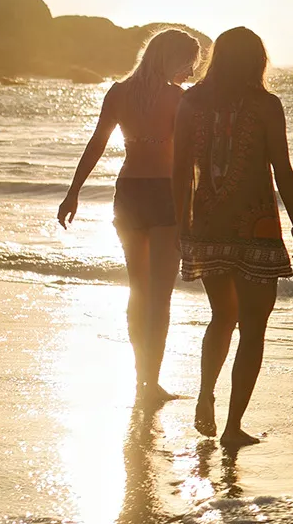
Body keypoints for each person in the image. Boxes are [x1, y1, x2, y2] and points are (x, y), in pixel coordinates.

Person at [172, 27, 293, 450]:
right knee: (253, 329)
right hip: (258, 226)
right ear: (256, 61)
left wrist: (182, 224)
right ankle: (233, 426)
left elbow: (179, 170)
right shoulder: (266, 105)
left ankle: (205, 394)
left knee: (221, 317)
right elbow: (281, 167)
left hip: (208, 225)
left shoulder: (191, 101)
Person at [57, 28, 201, 406]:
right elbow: (192, 160)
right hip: (166, 198)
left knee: (138, 291)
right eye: (188, 61)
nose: (191, 69)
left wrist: (73, 192)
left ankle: (142, 380)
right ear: (170, 58)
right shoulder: (178, 99)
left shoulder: (118, 92)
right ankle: (150, 383)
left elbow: (97, 142)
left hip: (130, 195)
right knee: (160, 297)